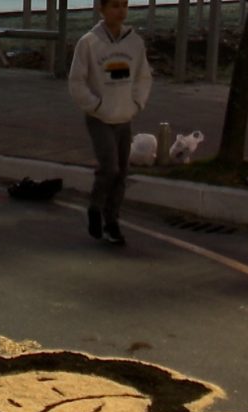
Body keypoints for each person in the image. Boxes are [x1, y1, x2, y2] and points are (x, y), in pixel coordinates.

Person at [67, 0, 152, 246]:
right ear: (101, 9)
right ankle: (95, 207)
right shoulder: (88, 43)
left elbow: (143, 77)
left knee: (122, 173)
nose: (121, 11)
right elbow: (77, 82)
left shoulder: (135, 43)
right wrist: (95, 106)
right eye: (114, 5)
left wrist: (137, 103)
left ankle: (112, 220)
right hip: (100, 118)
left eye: (124, 5)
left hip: (125, 117)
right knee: (110, 168)